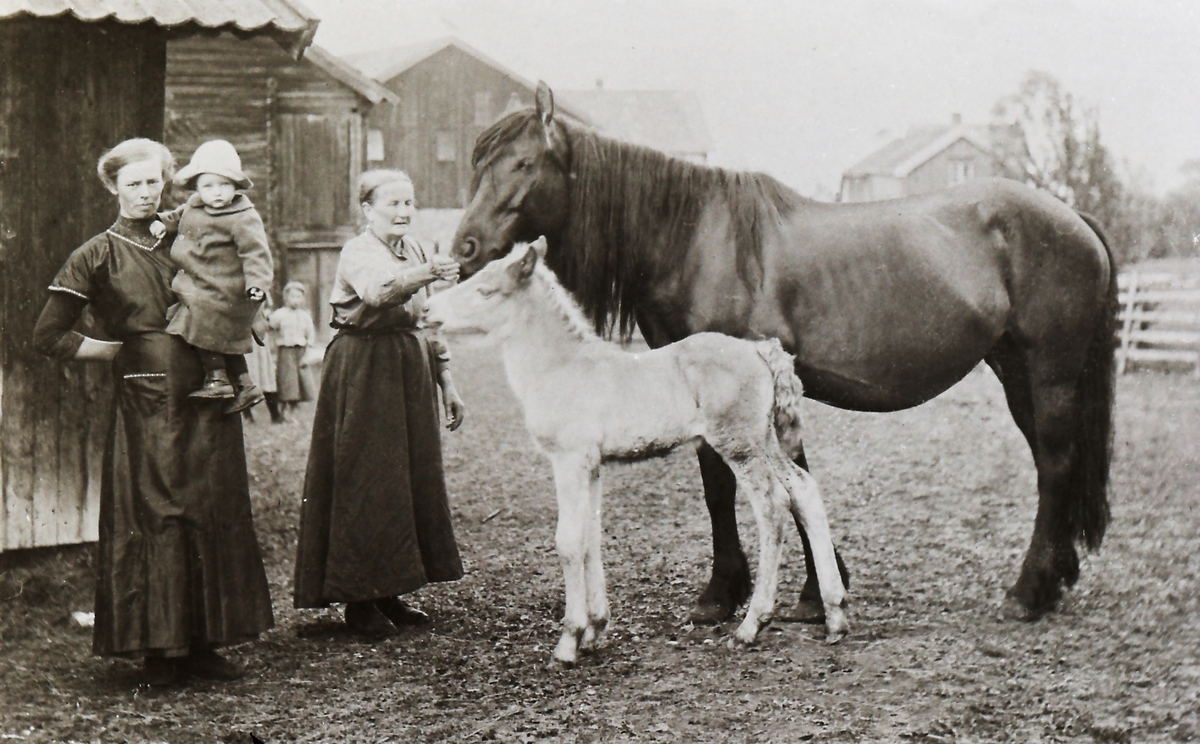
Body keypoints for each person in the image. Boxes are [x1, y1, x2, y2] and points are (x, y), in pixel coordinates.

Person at [32, 138, 274, 687]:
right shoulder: (96, 253)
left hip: (209, 383)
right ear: (113, 187)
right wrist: (119, 352)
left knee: (211, 501)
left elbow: (240, 270)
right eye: (134, 183)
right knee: (158, 512)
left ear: (168, 183)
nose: (145, 193)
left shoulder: (192, 230)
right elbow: (48, 335)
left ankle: (205, 643)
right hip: (147, 395)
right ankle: (159, 652)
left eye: (154, 182)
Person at [293, 169, 466, 637]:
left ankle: (391, 589)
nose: (404, 212)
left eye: (410, 203)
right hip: (364, 368)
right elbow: (379, 292)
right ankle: (359, 599)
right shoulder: (359, 251)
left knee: (405, 477)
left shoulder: (413, 249)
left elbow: (429, 319)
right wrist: (429, 271)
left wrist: (445, 379)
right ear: (367, 210)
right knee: (365, 476)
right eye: (393, 204)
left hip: (408, 368)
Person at [159, 139, 273, 413]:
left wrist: (257, 284)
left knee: (197, 317)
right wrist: (159, 222)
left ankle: (217, 379)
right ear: (197, 187)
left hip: (227, 288)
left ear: (236, 186)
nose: (217, 192)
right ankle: (245, 385)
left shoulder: (243, 216)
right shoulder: (193, 206)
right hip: (201, 283)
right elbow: (175, 217)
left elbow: (256, 253)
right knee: (214, 328)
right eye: (208, 186)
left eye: (224, 184)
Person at [269, 281, 318, 413]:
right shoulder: (280, 313)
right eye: (292, 296)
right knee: (287, 376)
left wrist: (309, 345)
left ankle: (296, 404)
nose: (295, 300)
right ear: (285, 298)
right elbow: (271, 325)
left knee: (301, 375)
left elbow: (310, 332)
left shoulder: (305, 315)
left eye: (298, 297)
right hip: (286, 349)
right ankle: (286, 401)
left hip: (300, 349)